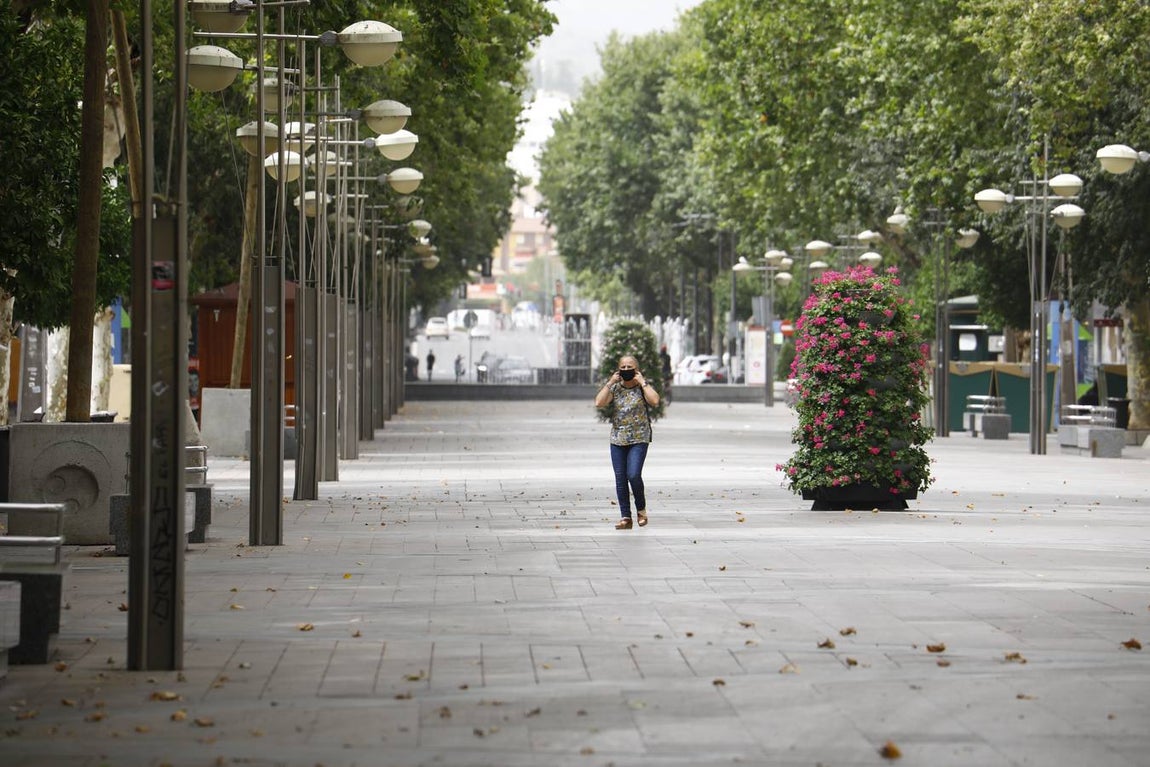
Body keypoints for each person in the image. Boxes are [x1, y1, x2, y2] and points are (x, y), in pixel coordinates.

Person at [594, 354, 659, 530]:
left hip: (639, 438)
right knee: (620, 478)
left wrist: (643, 381)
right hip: (617, 439)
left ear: (636, 369)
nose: (625, 370)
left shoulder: (641, 388)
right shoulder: (615, 389)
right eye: (622, 367)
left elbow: (655, 400)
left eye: (629, 367)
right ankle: (625, 517)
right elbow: (599, 402)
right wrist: (610, 382)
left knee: (633, 475)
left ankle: (641, 510)